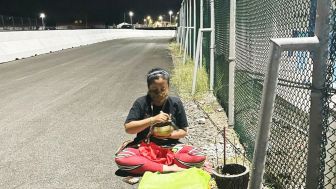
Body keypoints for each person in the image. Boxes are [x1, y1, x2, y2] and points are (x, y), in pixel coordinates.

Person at [115, 68, 206, 174]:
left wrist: (169, 134)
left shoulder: (175, 103)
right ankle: (168, 168)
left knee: (199, 156)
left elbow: (184, 131)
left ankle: (151, 166)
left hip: (171, 148)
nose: (159, 93)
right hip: (144, 147)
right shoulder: (141, 103)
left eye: (163, 89)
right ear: (148, 88)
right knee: (121, 159)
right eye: (154, 90)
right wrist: (152, 119)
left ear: (168, 87)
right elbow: (128, 128)